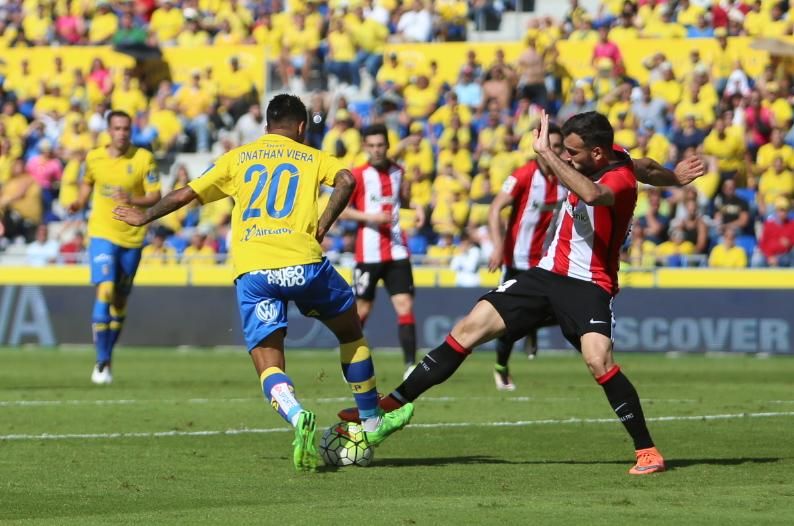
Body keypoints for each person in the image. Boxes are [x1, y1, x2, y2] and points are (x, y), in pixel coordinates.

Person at [338, 111, 706, 475]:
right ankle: (388, 406)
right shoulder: (618, 156)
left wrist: (546, 153)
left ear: (597, 153)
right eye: (562, 151)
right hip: (547, 274)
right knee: (468, 328)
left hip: (590, 284)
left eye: (572, 152)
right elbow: (647, 166)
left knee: (599, 360)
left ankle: (647, 451)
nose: (566, 157)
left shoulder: (618, 179)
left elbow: (593, 194)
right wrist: (674, 177)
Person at [113, 94, 414, 472]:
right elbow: (347, 179)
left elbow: (187, 193)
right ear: (301, 127)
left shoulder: (238, 158)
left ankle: (297, 414)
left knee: (268, 361)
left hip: (255, 271)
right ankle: (371, 420)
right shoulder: (311, 156)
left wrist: (144, 216)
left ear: (266, 125)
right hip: (304, 264)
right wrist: (323, 225)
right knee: (350, 332)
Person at [68, 110, 161, 385]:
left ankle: (107, 357)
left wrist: (132, 198)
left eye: (126, 129)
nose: (122, 133)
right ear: (109, 131)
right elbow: (87, 184)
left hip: (132, 238)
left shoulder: (143, 158)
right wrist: (78, 202)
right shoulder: (94, 157)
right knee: (105, 289)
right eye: (117, 128)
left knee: (119, 301)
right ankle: (101, 360)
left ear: (131, 131)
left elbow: (155, 195)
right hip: (102, 233)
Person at [339, 124, 426, 379]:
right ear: (365, 147)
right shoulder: (357, 175)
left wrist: (417, 207)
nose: (377, 150)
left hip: (397, 250)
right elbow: (343, 211)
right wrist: (372, 217)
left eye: (380, 145)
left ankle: (410, 366)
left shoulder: (398, 172)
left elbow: (402, 200)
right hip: (368, 253)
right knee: (362, 310)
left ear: (387, 146)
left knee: (405, 305)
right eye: (372, 146)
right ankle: (350, 361)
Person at [486, 122, 567, 390]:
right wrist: (498, 246)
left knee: (566, 310)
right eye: (550, 145)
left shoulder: (566, 178)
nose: (554, 151)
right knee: (506, 320)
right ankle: (501, 367)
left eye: (558, 146)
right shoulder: (522, 176)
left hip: (548, 262)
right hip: (517, 260)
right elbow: (494, 209)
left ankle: (531, 327)